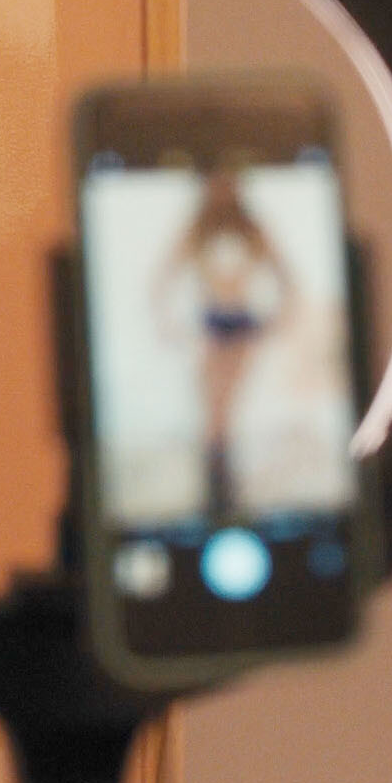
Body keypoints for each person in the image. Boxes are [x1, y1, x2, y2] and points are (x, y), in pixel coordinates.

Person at [151, 165, 295, 523]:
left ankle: (223, 492)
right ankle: (217, 490)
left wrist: (280, 318)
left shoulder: (251, 229)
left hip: (241, 325)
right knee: (213, 411)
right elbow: (163, 276)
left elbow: (286, 276)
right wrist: (167, 323)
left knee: (225, 409)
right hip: (212, 325)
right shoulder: (198, 229)